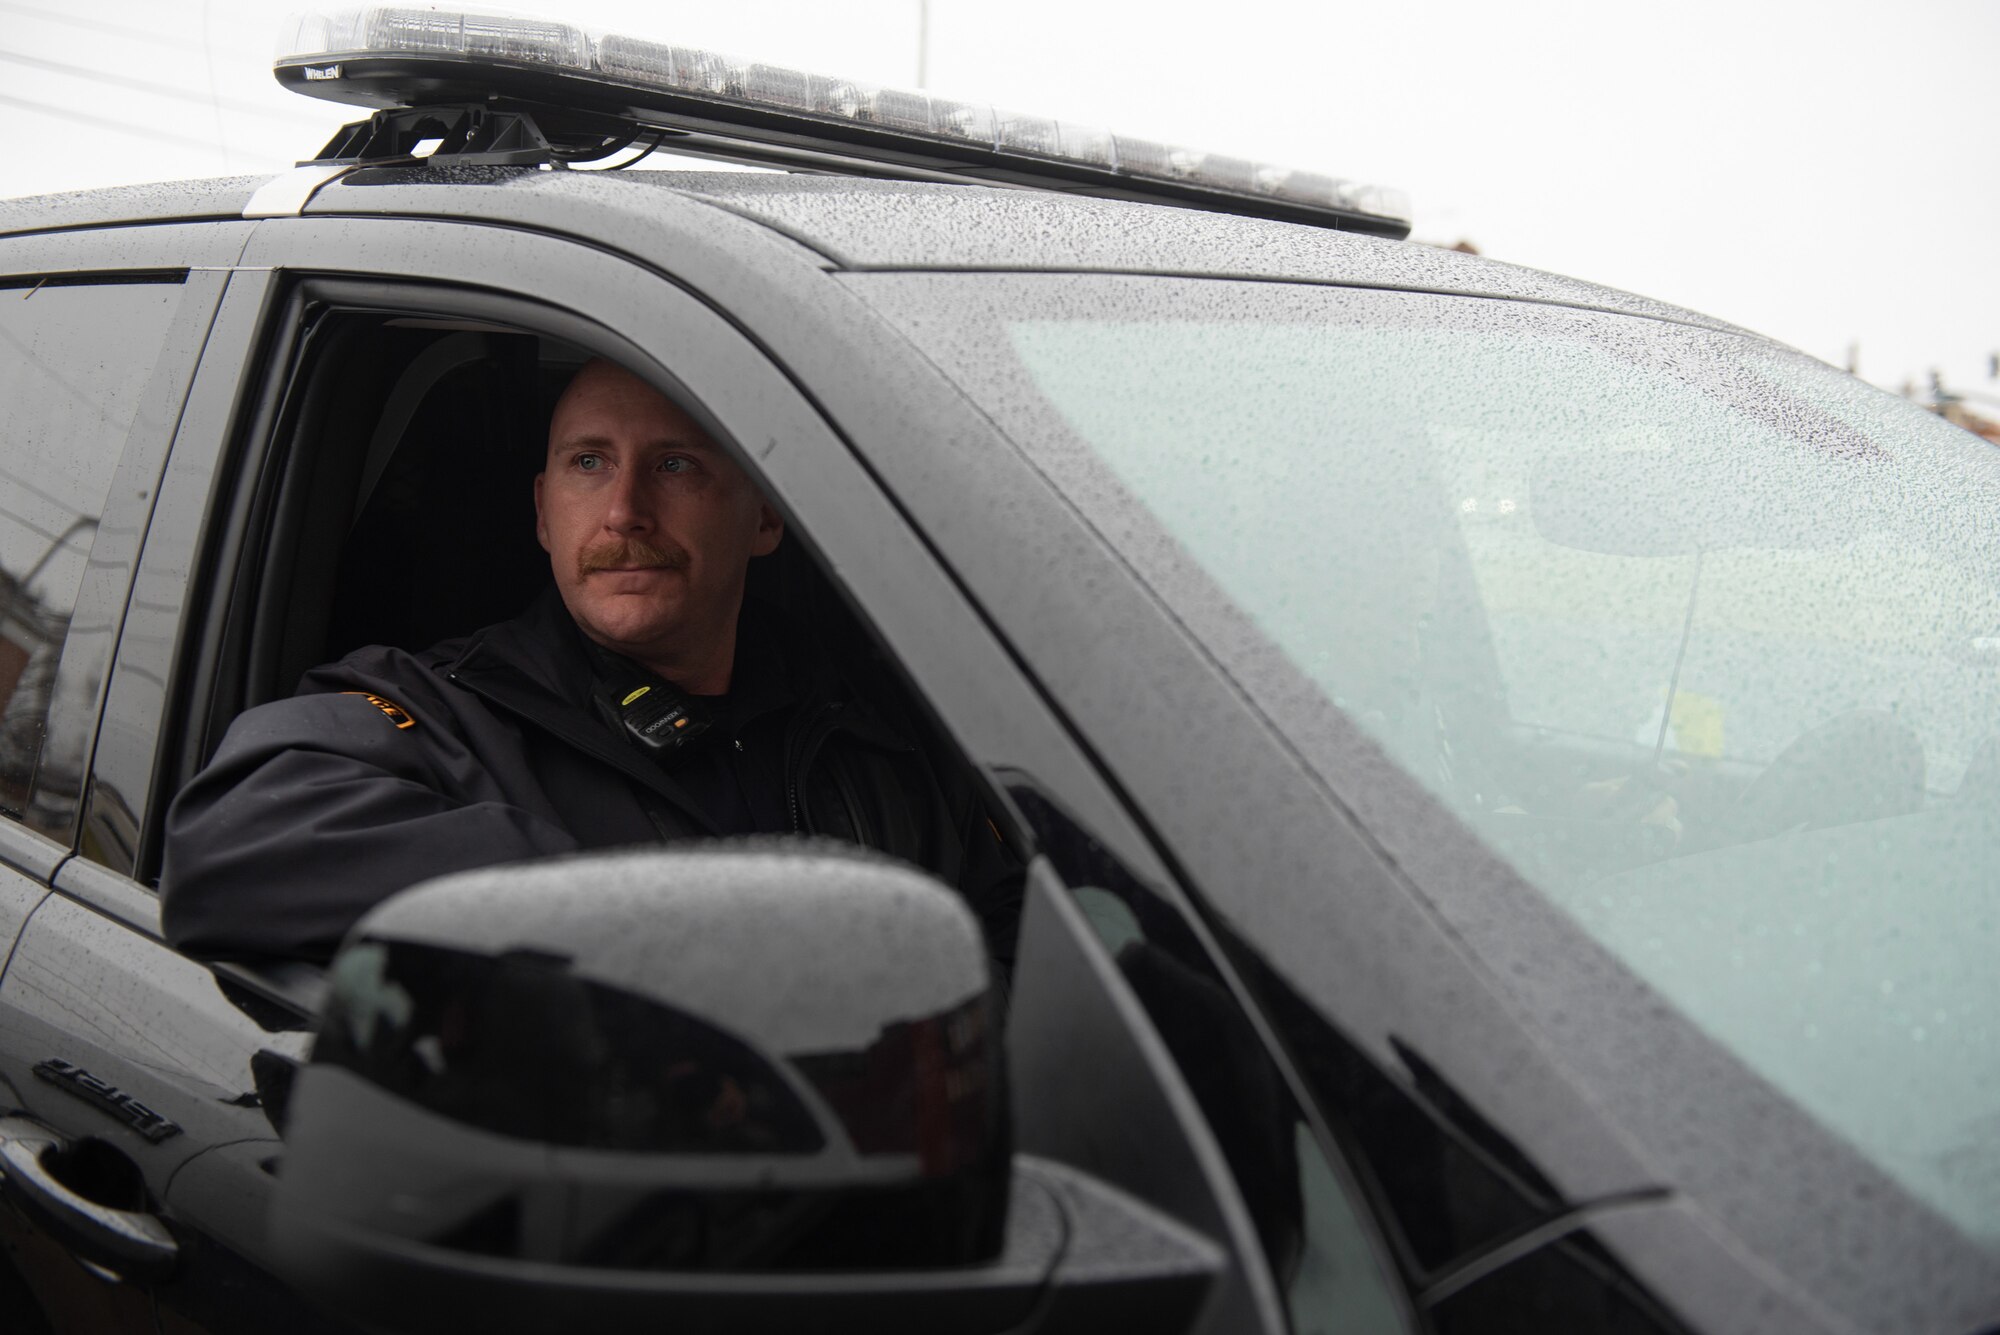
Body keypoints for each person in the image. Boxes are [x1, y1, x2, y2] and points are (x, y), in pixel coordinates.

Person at [161, 359, 1014, 963]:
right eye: (589, 463)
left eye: (675, 464)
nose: (624, 512)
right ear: (543, 512)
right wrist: (653, 912)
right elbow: (229, 845)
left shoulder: (877, 733)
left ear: (763, 518)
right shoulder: (443, 709)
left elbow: (1014, 961)